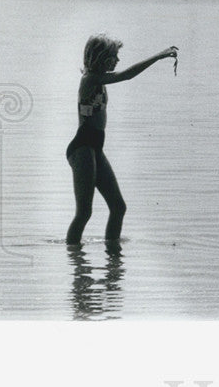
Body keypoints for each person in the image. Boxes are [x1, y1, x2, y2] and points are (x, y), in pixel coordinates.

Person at [65, 34, 178, 245]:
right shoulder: (90, 79)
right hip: (82, 148)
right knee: (84, 213)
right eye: (114, 56)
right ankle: (75, 264)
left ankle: (113, 260)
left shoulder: (100, 80)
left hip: (95, 148)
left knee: (118, 207)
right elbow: (126, 75)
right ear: (101, 58)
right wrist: (158, 57)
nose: (117, 61)